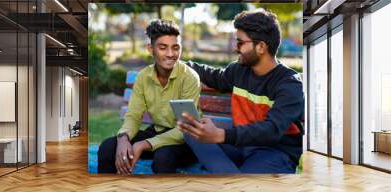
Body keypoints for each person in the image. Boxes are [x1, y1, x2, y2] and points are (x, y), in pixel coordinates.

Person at [179, 9, 304, 174]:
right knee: (192, 132)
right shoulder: (239, 70)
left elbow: (271, 130)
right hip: (240, 146)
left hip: (274, 152)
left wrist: (221, 135)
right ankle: (233, 178)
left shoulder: (289, 84)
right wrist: (178, 64)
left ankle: (233, 181)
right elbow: (214, 76)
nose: (235, 48)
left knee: (244, 180)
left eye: (240, 42)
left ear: (260, 47)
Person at [98, 19, 200, 174]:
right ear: (151, 49)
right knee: (108, 147)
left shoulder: (189, 78)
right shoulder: (143, 77)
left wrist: (144, 144)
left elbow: (185, 129)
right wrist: (123, 138)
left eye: (175, 47)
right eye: (163, 48)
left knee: (163, 157)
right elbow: (133, 116)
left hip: (186, 140)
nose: (171, 54)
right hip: (156, 132)